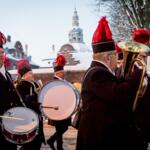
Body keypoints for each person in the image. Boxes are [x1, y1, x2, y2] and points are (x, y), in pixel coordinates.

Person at [76, 16, 146, 150]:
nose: (118, 58)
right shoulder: (97, 73)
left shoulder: (99, 72)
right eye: (115, 55)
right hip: (97, 136)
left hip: (101, 134)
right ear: (108, 57)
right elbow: (118, 94)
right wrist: (137, 72)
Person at [16, 59, 45, 150]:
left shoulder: (34, 84)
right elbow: (22, 102)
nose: (32, 75)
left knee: (37, 142)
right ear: (24, 75)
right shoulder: (21, 86)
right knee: (30, 144)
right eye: (30, 73)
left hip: (37, 117)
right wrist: (36, 104)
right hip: (28, 119)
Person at [0, 31, 21, 149]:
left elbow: (12, 96)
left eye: (2, 52)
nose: (0, 55)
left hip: (9, 123)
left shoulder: (7, 74)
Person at [47, 54, 71, 150]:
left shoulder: (62, 81)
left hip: (63, 109)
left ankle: (51, 140)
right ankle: (59, 147)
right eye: (61, 72)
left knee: (63, 128)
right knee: (60, 128)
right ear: (57, 73)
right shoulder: (54, 82)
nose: (63, 73)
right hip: (57, 110)